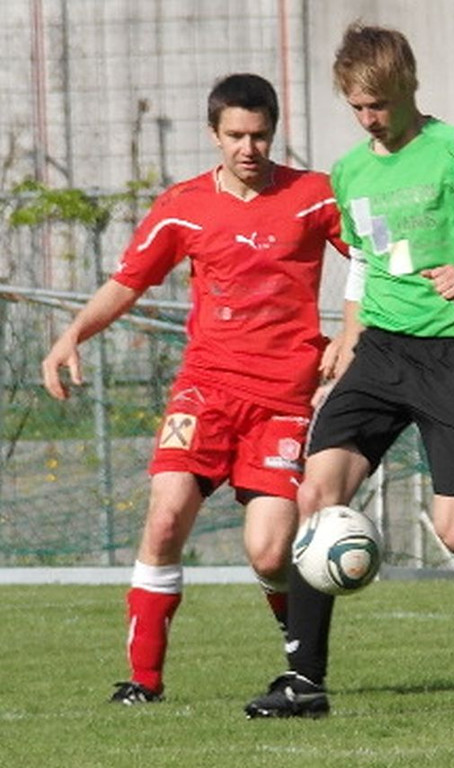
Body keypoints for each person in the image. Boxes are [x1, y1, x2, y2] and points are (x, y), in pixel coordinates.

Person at [245, 23, 454, 718]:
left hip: (451, 354)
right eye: (356, 106)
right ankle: (305, 683)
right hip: (379, 351)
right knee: (315, 497)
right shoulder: (350, 171)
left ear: (408, 86)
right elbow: (367, 266)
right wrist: (345, 346)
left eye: (377, 103)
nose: (368, 118)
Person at [41, 73, 347, 705]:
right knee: (165, 516)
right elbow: (126, 283)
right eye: (235, 135)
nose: (248, 148)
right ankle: (143, 682)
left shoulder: (314, 197)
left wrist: (357, 338)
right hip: (204, 392)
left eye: (259, 135)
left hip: (284, 401)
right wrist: (73, 334)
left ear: (274, 131)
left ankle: (303, 665)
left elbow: (373, 263)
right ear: (214, 134)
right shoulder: (182, 205)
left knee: (268, 554)